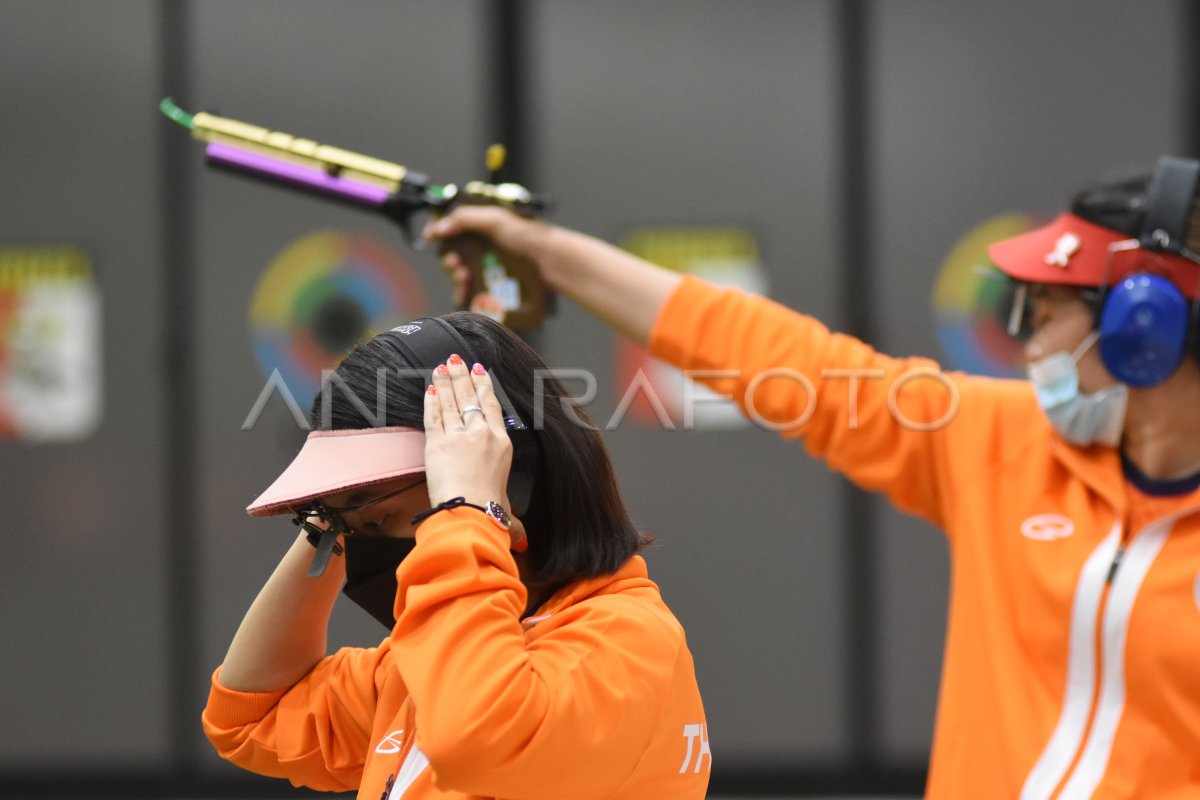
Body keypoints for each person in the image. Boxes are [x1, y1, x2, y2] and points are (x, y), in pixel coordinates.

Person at [424, 157, 1200, 798]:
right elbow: (785, 362)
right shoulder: (1007, 439)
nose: (1029, 345)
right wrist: (544, 251)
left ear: (1145, 330)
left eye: (1049, 313)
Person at [201, 312, 712, 799]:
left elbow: (477, 734)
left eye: (374, 522)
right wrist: (330, 515)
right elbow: (252, 714)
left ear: (512, 480)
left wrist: (467, 508)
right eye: (346, 528)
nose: (359, 547)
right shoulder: (424, 664)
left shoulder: (627, 645)